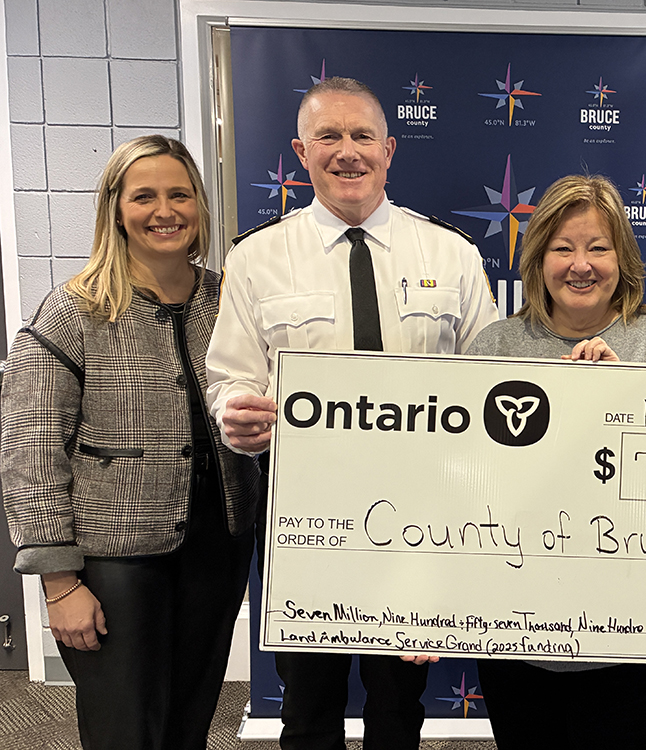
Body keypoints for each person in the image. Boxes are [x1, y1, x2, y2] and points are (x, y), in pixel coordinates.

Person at [205, 76, 498, 750]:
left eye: (362, 135)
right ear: (301, 152)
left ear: (389, 149)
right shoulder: (255, 260)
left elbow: (489, 375)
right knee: (309, 703)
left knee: (400, 702)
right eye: (328, 137)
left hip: (420, 515)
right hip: (304, 513)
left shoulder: (450, 254)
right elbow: (230, 377)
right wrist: (236, 416)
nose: (347, 152)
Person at [0, 135, 260, 750]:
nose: (164, 211)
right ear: (114, 209)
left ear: (200, 204)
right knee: (124, 730)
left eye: (180, 194)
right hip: (113, 556)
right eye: (144, 197)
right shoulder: (73, 310)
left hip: (217, 546)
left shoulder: (232, 302)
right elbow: (30, 451)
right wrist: (58, 583)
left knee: (190, 720)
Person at [467, 174, 646, 747]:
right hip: (519, 640)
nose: (581, 264)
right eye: (563, 247)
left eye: (599, 248)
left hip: (642, 639)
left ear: (622, 258)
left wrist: (623, 401)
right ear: (537, 257)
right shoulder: (493, 346)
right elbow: (461, 483)